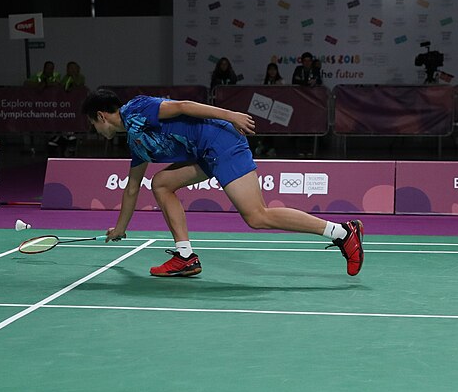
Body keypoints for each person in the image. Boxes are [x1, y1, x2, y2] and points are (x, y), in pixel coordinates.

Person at [81, 89, 364, 277]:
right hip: (204, 151)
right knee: (162, 183)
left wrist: (230, 115)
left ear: (101, 116)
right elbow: (132, 187)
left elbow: (182, 106)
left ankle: (341, 233)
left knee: (257, 216)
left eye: (93, 125)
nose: (95, 130)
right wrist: (120, 229)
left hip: (220, 141)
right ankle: (185, 256)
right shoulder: (135, 139)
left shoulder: (138, 109)